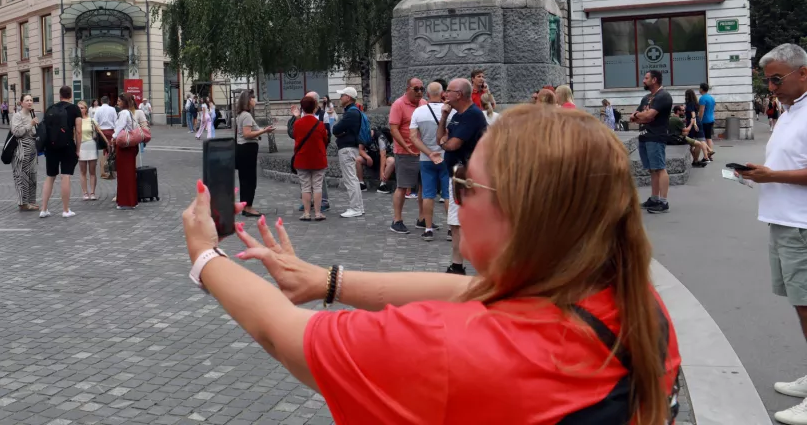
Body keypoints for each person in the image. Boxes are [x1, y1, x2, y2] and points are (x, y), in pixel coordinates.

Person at [181, 103, 681, 425]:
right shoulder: (635, 304)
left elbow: (283, 333)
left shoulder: (450, 349)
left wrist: (206, 254)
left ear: (520, 214)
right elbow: (471, 295)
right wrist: (325, 281)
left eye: (466, 186)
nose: (455, 200)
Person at [741, 44, 807, 425]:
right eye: (768, 79)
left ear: (803, 73)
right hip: (785, 220)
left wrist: (772, 176)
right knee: (801, 305)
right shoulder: (790, 110)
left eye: (777, 78)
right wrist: (760, 171)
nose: (772, 86)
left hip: (801, 224)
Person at [437, 78, 488, 274]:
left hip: (468, 176)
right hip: (457, 175)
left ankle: (481, 265)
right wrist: (443, 117)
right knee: (456, 223)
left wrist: (444, 143)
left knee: (467, 222)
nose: (445, 94)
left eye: (448, 91)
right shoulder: (456, 115)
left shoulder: (472, 115)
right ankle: (457, 265)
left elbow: (452, 144)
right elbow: (440, 137)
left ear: (459, 94)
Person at [408, 81, 449, 241]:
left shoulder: (419, 112)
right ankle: (451, 230)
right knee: (448, 195)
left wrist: (429, 153)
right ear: (443, 93)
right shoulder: (450, 112)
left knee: (427, 195)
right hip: (446, 157)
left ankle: (428, 228)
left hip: (426, 159)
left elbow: (412, 137)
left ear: (427, 94)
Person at [388, 78, 428, 235]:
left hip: (422, 152)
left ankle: (423, 218)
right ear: (408, 89)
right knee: (403, 186)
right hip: (405, 153)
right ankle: (397, 220)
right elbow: (394, 129)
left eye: (421, 89)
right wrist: (405, 146)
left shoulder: (424, 103)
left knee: (424, 186)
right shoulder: (398, 104)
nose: (419, 92)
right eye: (416, 89)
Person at [629, 70, 673, 214]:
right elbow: (634, 117)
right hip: (644, 136)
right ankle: (654, 199)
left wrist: (643, 116)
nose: (643, 80)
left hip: (656, 136)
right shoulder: (646, 98)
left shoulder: (663, 96)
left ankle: (664, 202)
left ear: (654, 80)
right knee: (652, 170)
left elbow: (649, 115)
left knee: (660, 168)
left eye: (646, 78)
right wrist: (641, 116)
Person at [39, 86, 82, 219]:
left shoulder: (50, 108)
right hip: (67, 145)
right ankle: (65, 209)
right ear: (70, 96)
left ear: (60, 95)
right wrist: (78, 149)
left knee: (50, 176)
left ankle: (44, 209)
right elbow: (79, 130)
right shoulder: (75, 109)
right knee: (65, 176)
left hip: (51, 146)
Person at [287, 92, 331, 212]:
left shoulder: (323, 115)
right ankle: (308, 203)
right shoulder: (300, 116)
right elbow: (292, 133)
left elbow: (328, 136)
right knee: (306, 183)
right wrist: (296, 118)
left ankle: (323, 202)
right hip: (304, 152)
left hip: (317, 152)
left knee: (318, 182)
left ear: (315, 102)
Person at [235, 90, 275, 219]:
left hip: (244, 149)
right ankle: (248, 207)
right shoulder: (246, 115)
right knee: (249, 180)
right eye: (253, 98)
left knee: (245, 179)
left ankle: (246, 206)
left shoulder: (242, 114)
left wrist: (262, 131)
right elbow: (247, 134)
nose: (255, 100)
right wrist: (263, 131)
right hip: (247, 149)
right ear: (248, 100)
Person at [331, 87, 365, 218]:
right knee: (353, 179)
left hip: (347, 148)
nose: (340, 98)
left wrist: (339, 131)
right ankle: (358, 207)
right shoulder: (354, 111)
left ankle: (355, 208)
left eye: (342, 95)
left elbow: (336, 129)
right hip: (351, 147)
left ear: (349, 98)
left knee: (350, 179)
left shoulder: (351, 113)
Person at [112, 92, 147, 209]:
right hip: (131, 146)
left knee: (123, 174)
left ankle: (123, 201)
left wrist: (113, 138)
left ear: (124, 102)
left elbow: (119, 128)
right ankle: (132, 200)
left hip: (124, 146)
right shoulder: (131, 113)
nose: (117, 102)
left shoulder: (123, 113)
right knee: (130, 173)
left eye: (119, 100)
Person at [10, 94, 39, 211]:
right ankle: (23, 203)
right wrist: (30, 125)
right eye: (27, 100)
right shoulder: (17, 116)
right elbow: (16, 132)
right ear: (21, 103)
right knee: (22, 176)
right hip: (21, 149)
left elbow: (34, 132)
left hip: (32, 149)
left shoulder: (32, 115)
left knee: (32, 176)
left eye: (31, 100)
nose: (29, 102)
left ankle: (31, 201)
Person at [357, 127, 393, 195]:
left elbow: (383, 155)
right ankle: (361, 184)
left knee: (391, 161)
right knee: (358, 159)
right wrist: (367, 157)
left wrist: (382, 172)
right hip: (372, 157)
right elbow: (360, 149)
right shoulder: (362, 136)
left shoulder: (380, 136)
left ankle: (382, 185)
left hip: (383, 157)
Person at [77, 100, 100, 201]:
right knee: (82, 171)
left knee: (92, 171)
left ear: (86, 109)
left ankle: (93, 192)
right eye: (78, 108)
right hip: (81, 146)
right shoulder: (76, 121)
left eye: (82, 108)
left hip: (91, 145)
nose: (80, 110)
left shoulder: (91, 120)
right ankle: (85, 192)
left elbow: (99, 131)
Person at [684, 89, 711, 165]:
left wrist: (694, 124)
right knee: (700, 141)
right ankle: (699, 159)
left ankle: (695, 160)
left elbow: (693, 115)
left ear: (687, 96)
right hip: (699, 122)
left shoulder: (689, 103)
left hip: (692, 124)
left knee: (690, 143)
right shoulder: (696, 103)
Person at [94, 95, 117, 179]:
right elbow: (115, 121)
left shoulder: (98, 109)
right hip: (111, 131)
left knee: (104, 150)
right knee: (112, 149)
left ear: (101, 101)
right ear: (108, 101)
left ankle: (105, 170)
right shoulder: (112, 109)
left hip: (101, 132)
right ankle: (111, 169)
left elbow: (95, 122)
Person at [698, 82, 716, 153]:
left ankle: (708, 153)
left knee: (703, 138)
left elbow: (701, 110)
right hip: (711, 119)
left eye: (699, 88)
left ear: (702, 89)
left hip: (705, 121)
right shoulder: (711, 98)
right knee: (709, 137)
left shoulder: (702, 98)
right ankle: (709, 153)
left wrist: (699, 120)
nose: (699, 89)